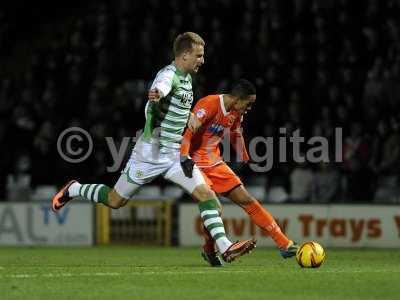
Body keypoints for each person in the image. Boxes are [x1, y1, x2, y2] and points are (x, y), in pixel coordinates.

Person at [52, 32, 256, 263]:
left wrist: (188, 115)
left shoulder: (187, 78)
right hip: (150, 154)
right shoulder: (168, 75)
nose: (202, 60)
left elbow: (174, 102)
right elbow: (161, 90)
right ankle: (75, 188)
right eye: (199, 56)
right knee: (115, 200)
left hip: (175, 154)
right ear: (185, 55)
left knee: (208, 196)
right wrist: (156, 94)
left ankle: (225, 246)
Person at [180, 79, 298, 267]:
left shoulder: (236, 113)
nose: (250, 108)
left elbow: (235, 133)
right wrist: (184, 157)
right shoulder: (209, 104)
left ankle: (285, 244)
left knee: (248, 200)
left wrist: (244, 155)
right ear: (237, 99)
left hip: (214, 162)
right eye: (248, 103)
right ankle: (210, 250)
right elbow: (188, 132)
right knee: (214, 207)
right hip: (194, 163)